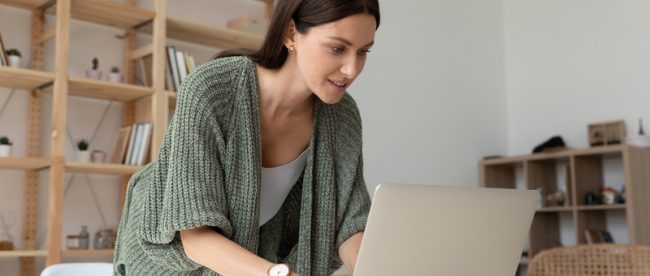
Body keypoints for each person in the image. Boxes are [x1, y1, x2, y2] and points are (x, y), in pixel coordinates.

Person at [113, 0, 380, 275]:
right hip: (171, 264)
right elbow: (195, 237)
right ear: (291, 34)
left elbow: (349, 221)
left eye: (363, 51)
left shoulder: (342, 116)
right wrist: (280, 274)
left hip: (252, 262)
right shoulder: (211, 91)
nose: (352, 69)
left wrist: (378, 267)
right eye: (337, 48)